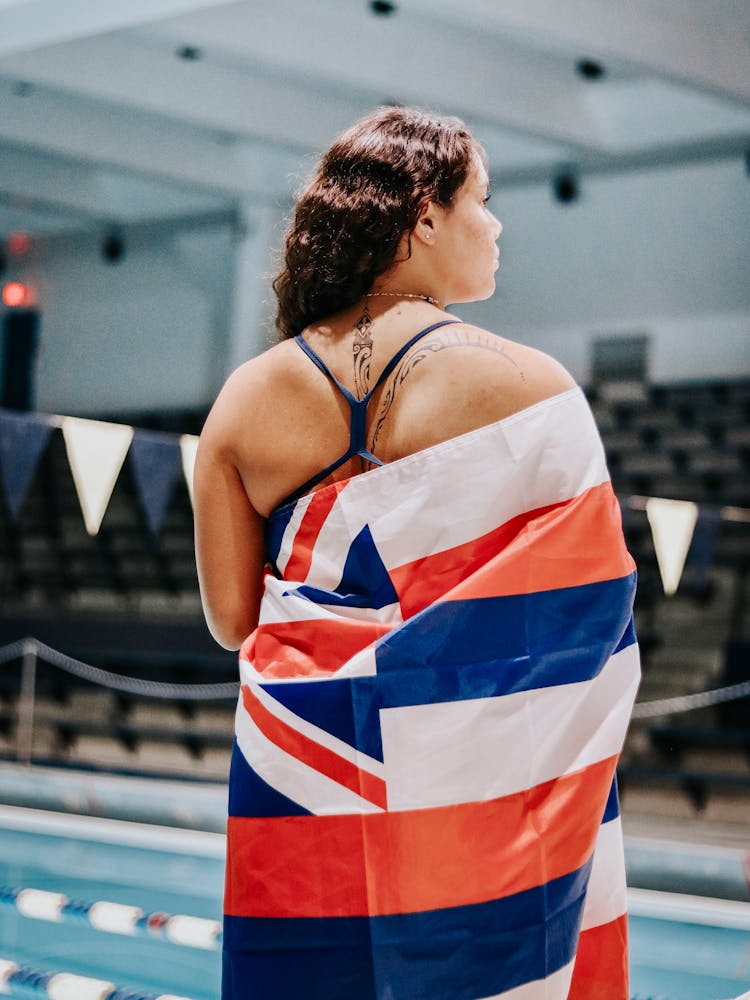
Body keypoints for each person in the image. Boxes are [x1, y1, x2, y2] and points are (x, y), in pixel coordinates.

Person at [194, 106, 640, 1000]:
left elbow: (233, 622)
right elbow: (577, 621)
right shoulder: (532, 388)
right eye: (483, 199)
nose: (496, 224)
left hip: (301, 771)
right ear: (423, 216)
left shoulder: (243, 400)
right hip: (471, 796)